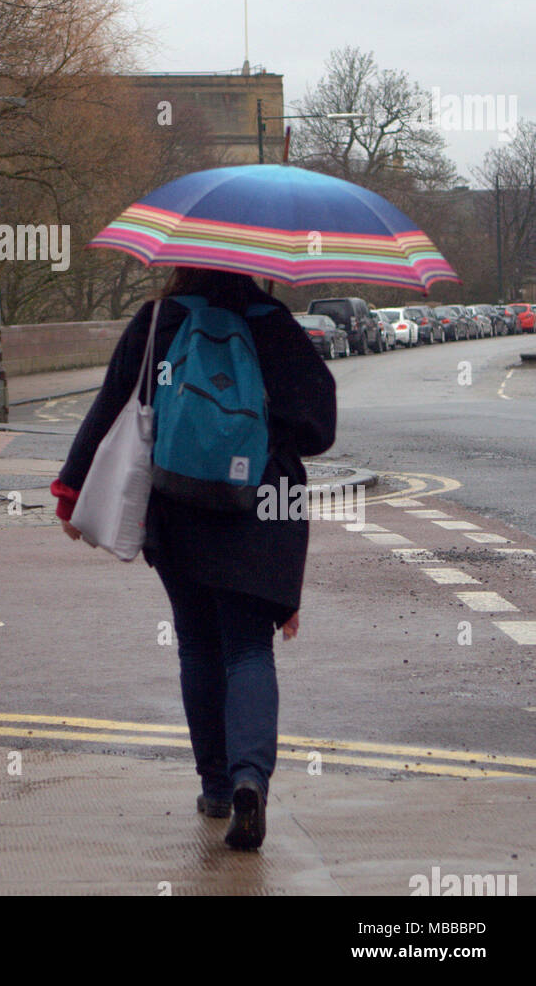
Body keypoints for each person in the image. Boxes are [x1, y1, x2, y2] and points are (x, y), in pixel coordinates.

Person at [50, 267, 337, 851]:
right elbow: (319, 428)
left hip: (175, 502)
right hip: (260, 504)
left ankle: (215, 787)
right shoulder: (273, 324)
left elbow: (113, 403)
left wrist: (73, 490)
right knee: (248, 647)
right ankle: (250, 777)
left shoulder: (160, 318)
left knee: (198, 644)